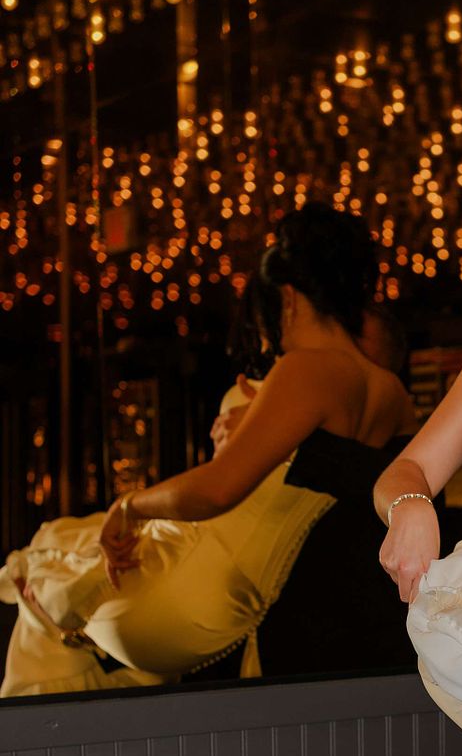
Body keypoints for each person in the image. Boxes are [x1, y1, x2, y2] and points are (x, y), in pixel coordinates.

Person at [0, 203, 411, 696]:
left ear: (287, 298)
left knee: (35, 565)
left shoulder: (307, 368)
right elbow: (367, 482)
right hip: (234, 607)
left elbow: (216, 491)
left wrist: (128, 506)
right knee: (61, 608)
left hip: (189, 577)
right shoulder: (392, 395)